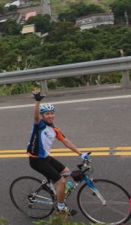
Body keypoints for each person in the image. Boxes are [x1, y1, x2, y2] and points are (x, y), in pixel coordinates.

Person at [28, 88, 88, 216]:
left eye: (52, 113)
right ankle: (61, 208)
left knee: (67, 172)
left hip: (45, 158)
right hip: (36, 160)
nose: (50, 115)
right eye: (47, 114)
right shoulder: (40, 125)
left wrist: (80, 153)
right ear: (43, 116)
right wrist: (37, 101)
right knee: (61, 181)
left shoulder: (54, 130)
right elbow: (35, 116)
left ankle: (58, 191)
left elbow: (65, 141)